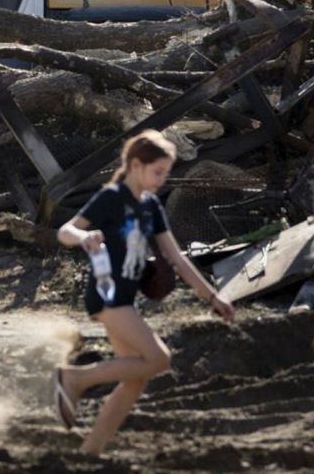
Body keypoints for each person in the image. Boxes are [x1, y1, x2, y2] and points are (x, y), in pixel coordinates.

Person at [54, 129, 234, 455]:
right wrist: (84, 237)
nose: (162, 180)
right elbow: (65, 231)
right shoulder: (111, 198)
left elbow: (176, 257)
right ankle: (74, 379)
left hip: (126, 299)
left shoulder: (151, 206)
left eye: (165, 173)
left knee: (135, 380)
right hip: (107, 295)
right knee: (159, 359)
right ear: (136, 165)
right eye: (158, 172)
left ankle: (90, 452)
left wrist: (212, 296)